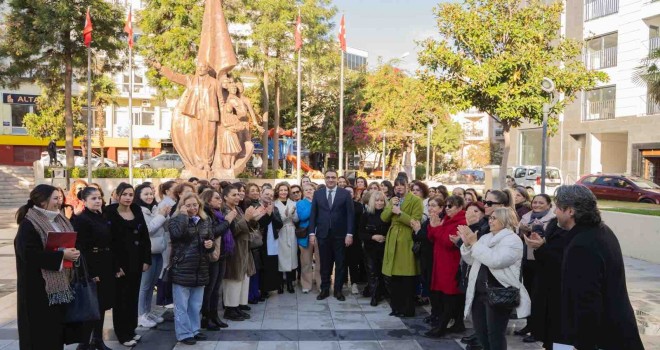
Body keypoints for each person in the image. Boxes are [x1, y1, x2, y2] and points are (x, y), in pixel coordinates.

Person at [552, 185, 644, 350]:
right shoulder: (601, 231)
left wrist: (583, 344)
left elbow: (587, 301)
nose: (555, 212)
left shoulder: (582, 245)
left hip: (603, 338)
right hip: (616, 332)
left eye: (557, 207)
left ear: (570, 211)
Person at [15, 184, 81, 350]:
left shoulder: (59, 219)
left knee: (54, 334)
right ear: (43, 202)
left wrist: (72, 253)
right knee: (39, 336)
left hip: (58, 287)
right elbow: (29, 255)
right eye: (55, 198)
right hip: (37, 290)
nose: (59, 202)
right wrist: (61, 255)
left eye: (60, 198)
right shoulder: (29, 224)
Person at [458, 207, 530, 350]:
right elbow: (471, 260)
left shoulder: (513, 240)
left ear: (505, 220)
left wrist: (474, 244)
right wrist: (467, 245)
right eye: (490, 218)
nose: (490, 221)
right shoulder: (486, 237)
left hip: (499, 292)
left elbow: (496, 261)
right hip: (480, 292)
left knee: (495, 334)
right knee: (481, 333)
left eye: (494, 218)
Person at [106, 183, 152, 347]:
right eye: (124, 194)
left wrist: (146, 259)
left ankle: (131, 330)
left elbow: (145, 236)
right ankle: (122, 334)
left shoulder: (137, 210)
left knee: (132, 296)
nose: (128, 198)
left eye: (131, 195)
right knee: (121, 299)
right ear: (117, 195)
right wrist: (115, 266)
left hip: (137, 260)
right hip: (119, 263)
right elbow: (108, 242)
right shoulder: (109, 212)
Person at [71, 187, 115, 350]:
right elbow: (81, 247)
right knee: (91, 305)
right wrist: (92, 273)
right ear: (84, 202)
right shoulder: (82, 219)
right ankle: (84, 342)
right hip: (92, 265)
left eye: (99, 198)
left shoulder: (101, 216)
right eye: (93, 199)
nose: (98, 201)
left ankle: (97, 339)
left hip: (105, 263)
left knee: (101, 305)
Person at [168, 192, 214, 345]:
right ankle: (184, 333)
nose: (193, 208)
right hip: (182, 267)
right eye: (188, 205)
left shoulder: (205, 220)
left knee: (195, 304)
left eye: (195, 205)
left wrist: (210, 245)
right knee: (181, 305)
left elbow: (210, 238)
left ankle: (195, 329)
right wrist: (183, 216)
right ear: (182, 206)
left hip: (200, 267)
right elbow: (176, 235)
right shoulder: (175, 220)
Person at [422, 195, 466, 337]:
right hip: (441, 261)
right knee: (446, 295)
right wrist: (433, 226)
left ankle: (442, 326)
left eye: (450, 206)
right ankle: (458, 323)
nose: (446, 209)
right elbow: (432, 237)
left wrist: (435, 228)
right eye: (446, 206)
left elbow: (449, 242)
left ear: (459, 207)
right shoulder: (447, 220)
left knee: (450, 296)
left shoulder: (461, 221)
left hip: (451, 263)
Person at [308, 169, 355, 301]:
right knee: (324, 263)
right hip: (323, 235)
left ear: (336, 179)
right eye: (328, 177)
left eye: (333, 177)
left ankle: (338, 291)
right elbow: (313, 215)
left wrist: (349, 234)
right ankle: (325, 289)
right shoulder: (318, 194)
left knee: (340, 264)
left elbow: (350, 216)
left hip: (340, 235)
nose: (330, 179)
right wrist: (312, 233)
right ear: (324, 179)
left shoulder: (345, 194)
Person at [514, 193, 555, 342]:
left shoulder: (552, 220)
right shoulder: (526, 217)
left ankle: (538, 330)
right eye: (535, 202)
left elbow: (548, 238)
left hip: (541, 261)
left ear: (549, 205)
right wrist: (523, 230)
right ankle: (529, 325)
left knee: (539, 297)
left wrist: (535, 230)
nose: (536, 205)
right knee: (528, 294)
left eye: (541, 203)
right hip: (526, 260)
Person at [523, 217, 567, 349]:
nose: (555, 211)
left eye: (558, 207)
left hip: (561, 298)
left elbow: (558, 261)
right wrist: (540, 246)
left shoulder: (572, 238)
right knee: (551, 340)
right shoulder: (555, 227)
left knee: (561, 341)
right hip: (547, 295)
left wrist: (542, 247)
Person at [381, 176, 423, 317]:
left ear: (407, 186)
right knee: (394, 278)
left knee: (406, 278)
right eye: (396, 185)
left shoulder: (416, 201)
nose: (399, 187)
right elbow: (384, 218)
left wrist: (400, 213)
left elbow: (416, 221)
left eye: (402, 184)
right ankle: (396, 307)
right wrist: (391, 207)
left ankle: (408, 309)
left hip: (406, 239)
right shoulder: (393, 200)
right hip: (393, 238)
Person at [133, 183, 170, 329]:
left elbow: (164, 228)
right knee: (144, 285)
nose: (149, 196)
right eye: (145, 194)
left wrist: (164, 216)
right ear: (139, 196)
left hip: (158, 251)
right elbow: (148, 229)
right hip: (146, 253)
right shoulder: (138, 211)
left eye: (150, 193)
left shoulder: (155, 209)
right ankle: (140, 314)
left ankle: (147, 311)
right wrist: (161, 216)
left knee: (152, 284)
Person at [222, 184, 260, 321]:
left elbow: (247, 226)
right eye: (234, 195)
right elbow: (232, 230)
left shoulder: (238, 208)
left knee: (243, 278)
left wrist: (253, 219)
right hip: (234, 249)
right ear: (225, 197)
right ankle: (230, 309)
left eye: (238, 194)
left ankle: (238, 306)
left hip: (245, 247)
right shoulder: (225, 210)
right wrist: (247, 219)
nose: (238, 197)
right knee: (233, 279)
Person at [199, 189, 231, 330]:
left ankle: (214, 316)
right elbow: (213, 232)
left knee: (216, 288)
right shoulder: (206, 214)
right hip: (212, 256)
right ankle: (207, 317)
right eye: (217, 198)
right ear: (208, 200)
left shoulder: (218, 213)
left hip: (221, 253)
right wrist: (227, 221)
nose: (220, 200)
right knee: (210, 288)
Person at [412, 196, 444, 326]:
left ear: (441, 208)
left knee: (436, 289)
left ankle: (438, 314)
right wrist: (417, 231)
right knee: (429, 286)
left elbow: (430, 237)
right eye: (429, 205)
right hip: (425, 257)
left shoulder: (441, 220)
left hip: (435, 259)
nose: (430, 208)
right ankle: (434, 313)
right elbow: (417, 237)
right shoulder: (428, 220)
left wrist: (418, 231)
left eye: (434, 205)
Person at [359, 190, 391, 306]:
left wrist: (385, 238)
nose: (379, 203)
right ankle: (374, 296)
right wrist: (373, 237)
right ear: (372, 201)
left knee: (384, 273)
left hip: (385, 248)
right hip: (370, 249)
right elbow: (361, 233)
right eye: (377, 200)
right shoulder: (366, 215)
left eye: (382, 200)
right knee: (372, 273)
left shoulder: (388, 215)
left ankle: (382, 293)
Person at [257, 187, 284, 296]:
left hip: (272, 239)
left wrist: (271, 213)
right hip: (260, 239)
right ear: (261, 194)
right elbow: (259, 224)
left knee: (270, 264)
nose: (269, 196)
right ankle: (260, 289)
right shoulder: (256, 206)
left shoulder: (275, 208)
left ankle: (268, 288)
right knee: (261, 265)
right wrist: (266, 214)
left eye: (271, 195)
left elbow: (279, 224)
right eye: (267, 194)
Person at [273, 182, 299, 293]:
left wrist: (292, 214)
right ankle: (279, 284)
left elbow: (297, 219)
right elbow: (276, 220)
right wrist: (286, 215)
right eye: (281, 190)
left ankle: (290, 283)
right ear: (277, 191)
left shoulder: (293, 203)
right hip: (280, 232)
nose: (283, 192)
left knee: (291, 257)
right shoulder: (274, 204)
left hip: (291, 231)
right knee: (280, 258)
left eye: (285, 190)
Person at [297, 183, 321, 294]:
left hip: (319, 234)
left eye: (311, 189)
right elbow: (303, 216)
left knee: (320, 261)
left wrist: (315, 202)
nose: (308, 191)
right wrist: (312, 204)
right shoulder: (300, 203)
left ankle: (321, 284)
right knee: (306, 262)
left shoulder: (320, 201)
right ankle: (306, 284)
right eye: (306, 190)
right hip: (305, 236)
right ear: (303, 192)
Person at [345, 186, 366, 295]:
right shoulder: (338, 205)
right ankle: (341, 282)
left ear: (353, 194)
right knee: (341, 261)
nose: (348, 194)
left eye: (350, 192)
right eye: (346, 192)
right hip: (340, 237)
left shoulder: (358, 206)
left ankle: (354, 284)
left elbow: (359, 222)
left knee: (353, 262)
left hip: (355, 237)